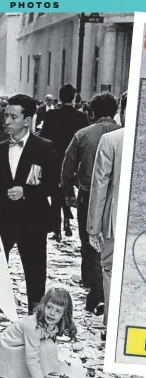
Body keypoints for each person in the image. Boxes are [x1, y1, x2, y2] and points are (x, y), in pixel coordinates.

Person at [0, 94, 58, 334]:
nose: (7, 120)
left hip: (33, 221)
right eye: (5, 116)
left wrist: (27, 192)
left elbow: (53, 184)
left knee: (35, 274)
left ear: (27, 120)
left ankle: (37, 325)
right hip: (2, 221)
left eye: (13, 116)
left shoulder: (45, 147)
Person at [61, 91, 120, 316]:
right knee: (112, 244)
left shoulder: (83, 134)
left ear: (92, 112)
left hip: (88, 196)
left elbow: (67, 168)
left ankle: (94, 289)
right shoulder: (125, 134)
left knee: (89, 243)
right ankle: (104, 288)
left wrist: (67, 195)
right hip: (117, 198)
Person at [0, 288, 77, 378]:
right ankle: (13, 376)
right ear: (43, 305)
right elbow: (32, 357)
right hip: (7, 352)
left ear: (64, 314)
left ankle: (24, 375)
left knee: (48, 345)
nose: (52, 313)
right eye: (49, 307)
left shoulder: (52, 323)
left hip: (18, 348)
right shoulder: (32, 325)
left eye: (58, 311)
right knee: (44, 347)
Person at [87, 91, 127, 336]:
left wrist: (93, 226)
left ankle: (112, 326)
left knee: (111, 271)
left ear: (122, 110)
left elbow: (100, 184)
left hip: (115, 218)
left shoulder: (112, 140)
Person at [41, 83, 88, 241]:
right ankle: (67, 217)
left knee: (55, 194)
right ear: (74, 97)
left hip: (54, 159)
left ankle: (57, 228)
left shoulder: (51, 115)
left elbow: (45, 138)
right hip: (74, 160)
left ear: (60, 97)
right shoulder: (81, 117)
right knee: (68, 190)